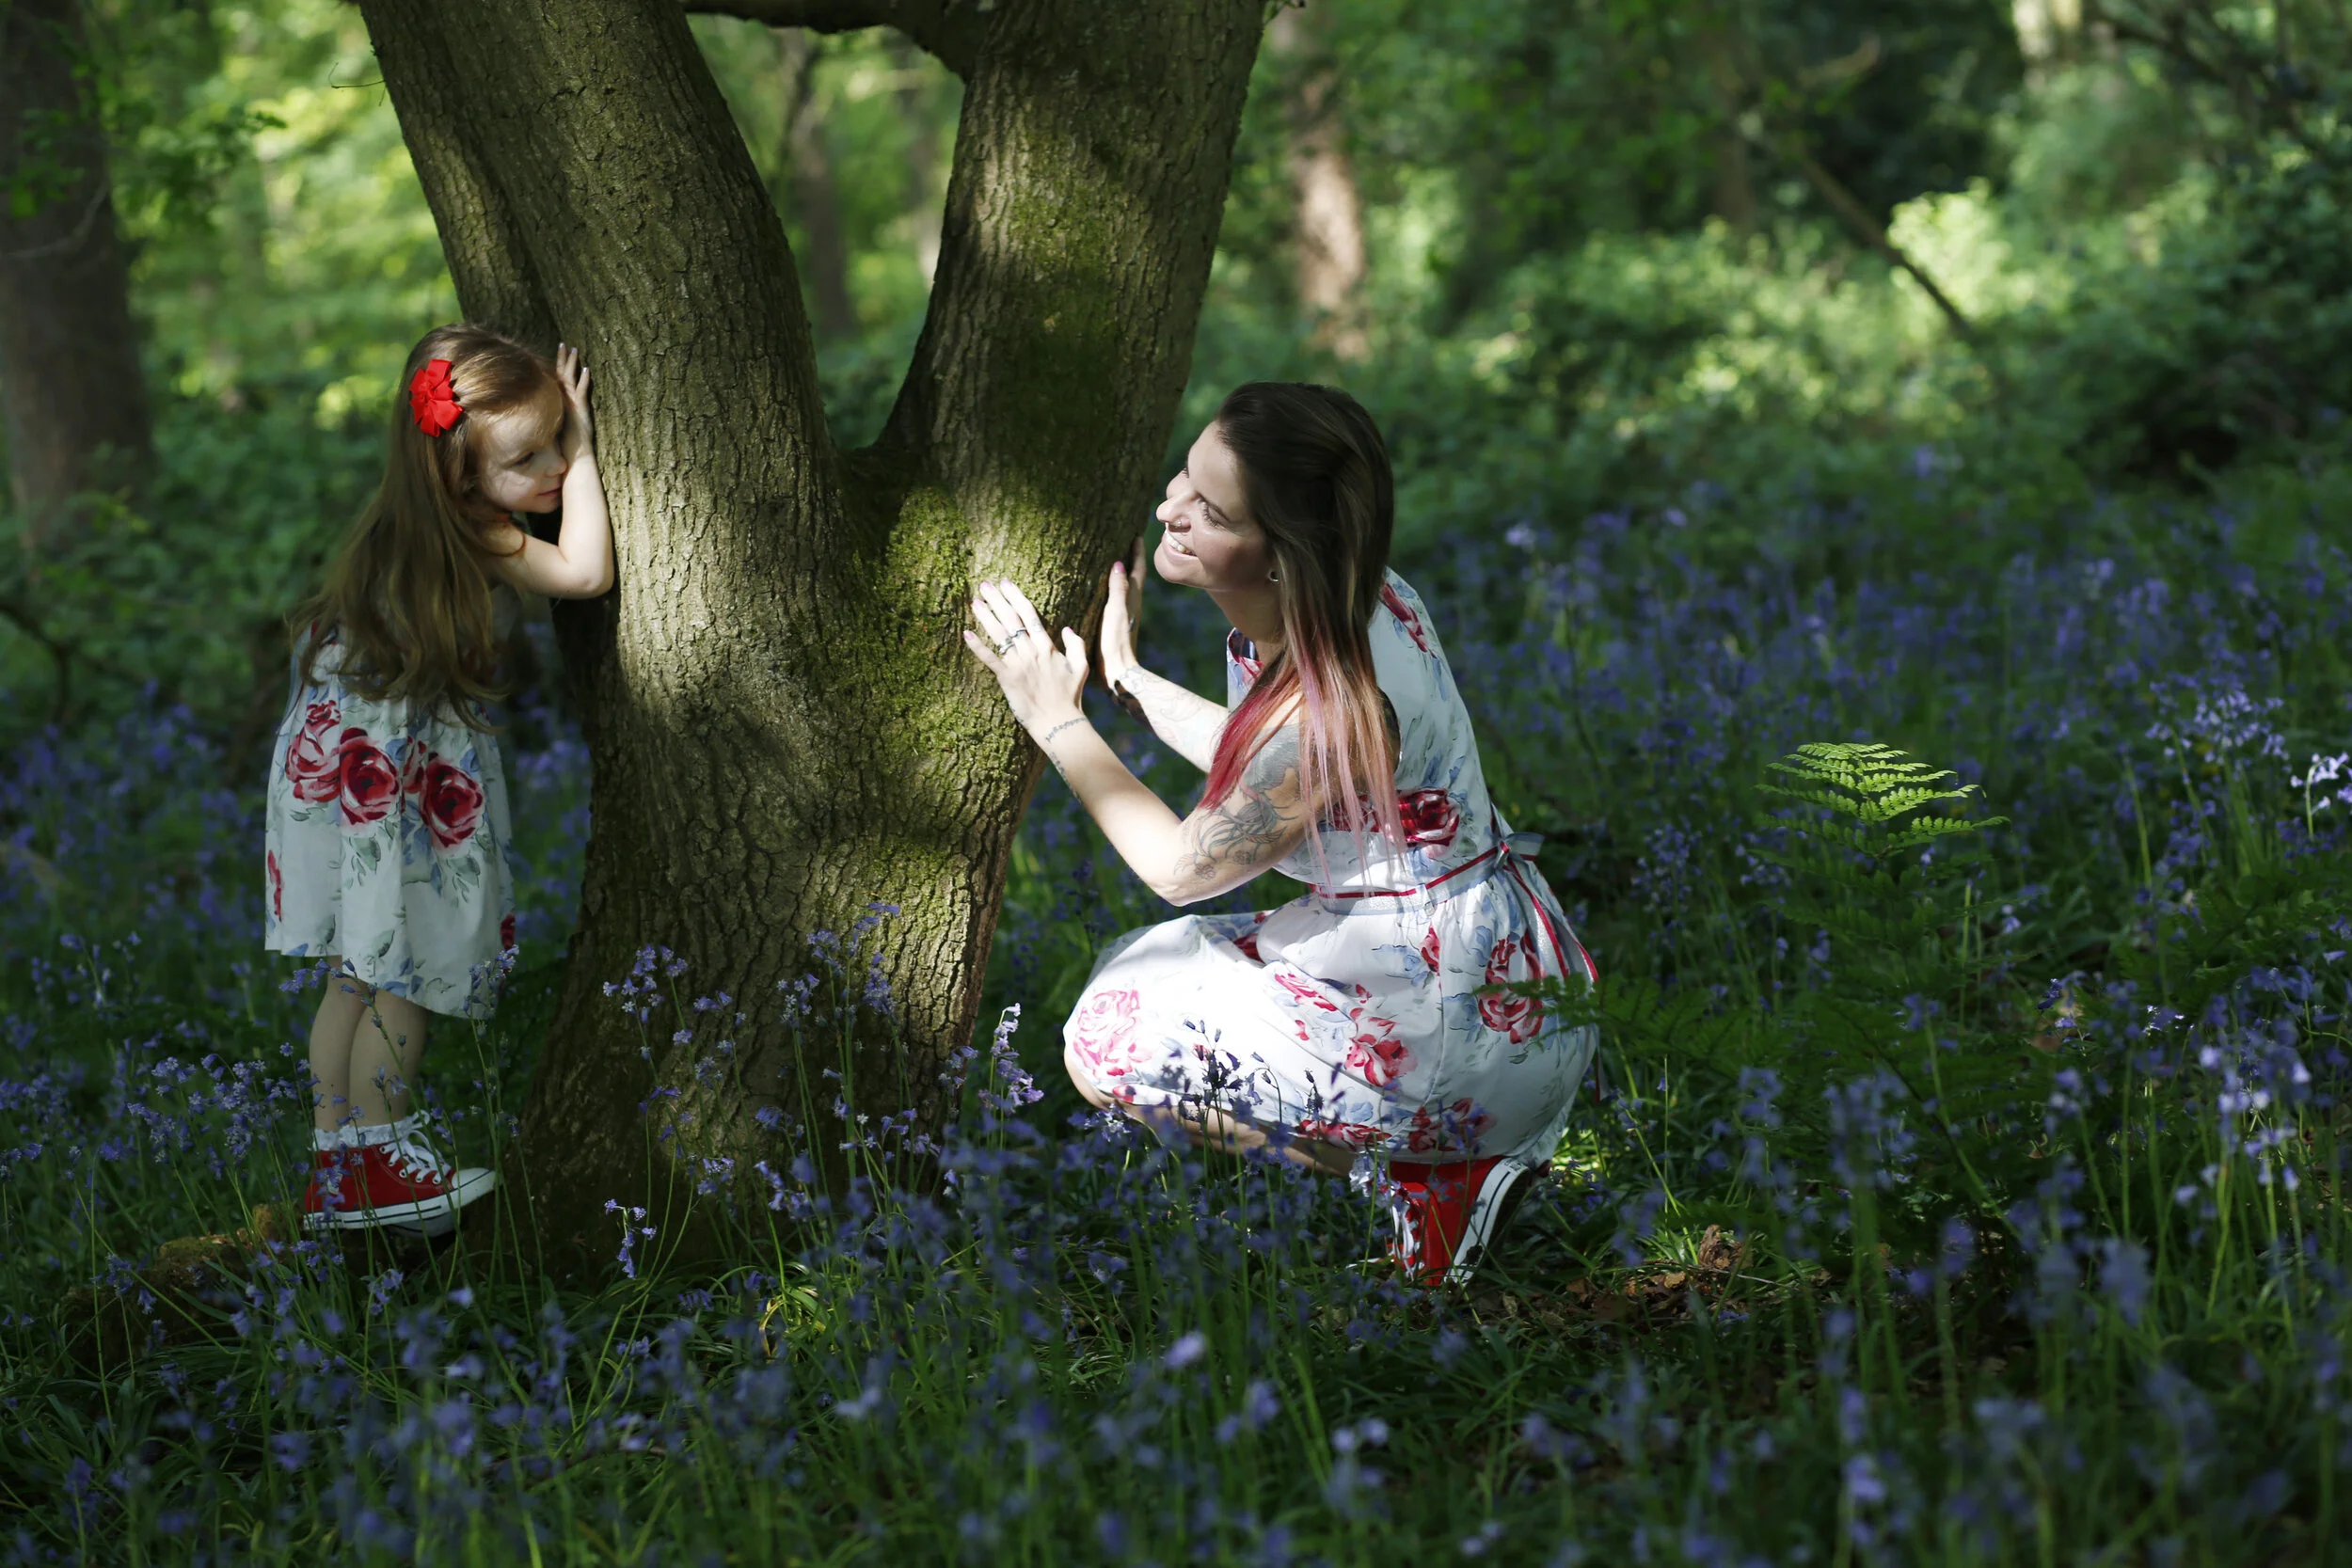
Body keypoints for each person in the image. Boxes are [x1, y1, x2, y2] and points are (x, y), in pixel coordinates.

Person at [964, 381, 1598, 1284]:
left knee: (1105, 1033)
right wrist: (1130, 681)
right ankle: (1445, 1160)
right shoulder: (1366, 601)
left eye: (1209, 511)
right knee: (1136, 971)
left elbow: (1184, 867)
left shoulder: (1328, 707)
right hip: (1499, 974)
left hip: (1454, 1028)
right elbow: (1264, 764)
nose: (1166, 511)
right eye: (1184, 479)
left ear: (1280, 556)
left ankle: (1430, 1176)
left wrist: (1054, 719)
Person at [268, 325, 613, 1236]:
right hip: (397, 768)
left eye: (550, 444)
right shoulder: (478, 529)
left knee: (352, 972)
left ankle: (335, 1162)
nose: (544, 468)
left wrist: (547, 448)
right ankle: (381, 1149)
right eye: (523, 458)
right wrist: (583, 451)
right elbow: (585, 571)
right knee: (407, 967)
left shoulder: (399, 529)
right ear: (459, 478)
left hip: (340, 760)